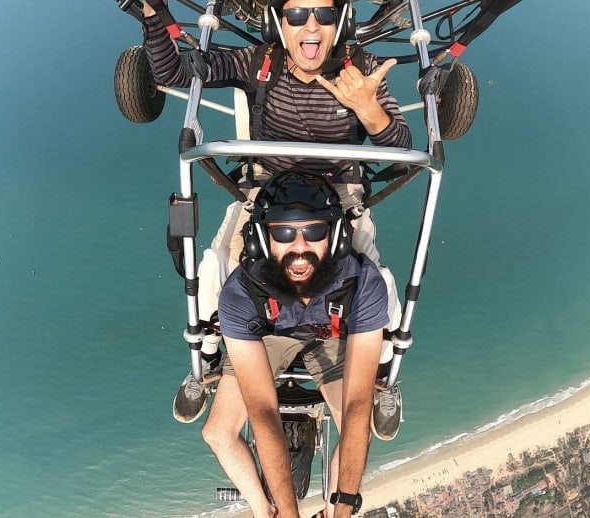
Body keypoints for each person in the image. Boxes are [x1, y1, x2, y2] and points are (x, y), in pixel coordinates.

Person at [141, 0, 410, 440]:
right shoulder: (259, 63)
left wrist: (368, 107)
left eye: (323, 15)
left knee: (377, 277)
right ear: (278, 24)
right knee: (215, 265)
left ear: (339, 22)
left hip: (339, 191)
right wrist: (153, 18)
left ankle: (383, 375)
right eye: (297, 15)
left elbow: (400, 143)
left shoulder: (359, 70)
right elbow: (175, 74)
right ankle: (207, 354)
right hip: (266, 187)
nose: (311, 26)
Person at [210, 171, 387, 518]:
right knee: (218, 433)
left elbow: (356, 406)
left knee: (358, 429)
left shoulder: (362, 283)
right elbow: (263, 412)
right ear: (263, 240)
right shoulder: (241, 293)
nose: (300, 247)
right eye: (284, 233)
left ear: (334, 237)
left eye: (315, 231)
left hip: (333, 333)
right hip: (268, 334)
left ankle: (332, 507)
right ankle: (265, 511)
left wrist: (344, 508)